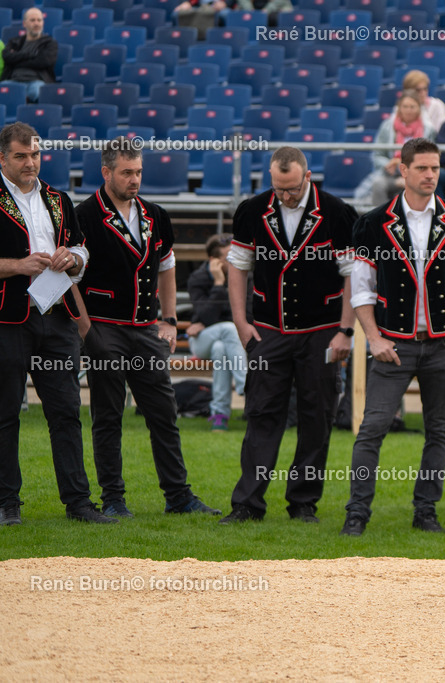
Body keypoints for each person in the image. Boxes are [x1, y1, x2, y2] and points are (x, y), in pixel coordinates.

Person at [341, 138, 445, 537]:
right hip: (392, 344)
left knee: (438, 428)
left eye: (435, 168)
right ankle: (357, 511)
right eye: (421, 168)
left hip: (442, 343)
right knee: (373, 427)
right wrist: (373, 338)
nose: (430, 175)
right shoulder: (370, 223)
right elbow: (362, 290)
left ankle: (426, 510)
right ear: (402, 170)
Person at [75, 138, 219, 519]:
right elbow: (69, 278)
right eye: (127, 172)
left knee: (164, 413)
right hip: (104, 327)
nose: (134, 179)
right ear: (106, 172)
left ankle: (178, 496)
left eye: (138, 171)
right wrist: (87, 331)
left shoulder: (156, 214)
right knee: (108, 415)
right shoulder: (84, 216)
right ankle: (113, 499)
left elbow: (167, 265)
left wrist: (169, 320)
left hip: (146, 328)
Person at [219, 147, 357, 524]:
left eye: (293, 188)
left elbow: (353, 275)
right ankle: (248, 503)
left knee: (318, 416)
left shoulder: (338, 212)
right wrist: (240, 322)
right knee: (262, 414)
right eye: (279, 189)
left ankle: (303, 502)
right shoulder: (251, 210)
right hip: (268, 330)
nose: (286, 196)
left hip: (323, 332)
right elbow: (237, 267)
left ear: (307, 177)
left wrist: (345, 331)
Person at [0, 122, 114, 526]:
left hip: (58, 315)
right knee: (5, 412)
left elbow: (81, 246)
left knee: (66, 410)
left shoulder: (58, 198)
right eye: (20, 156)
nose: (30, 162)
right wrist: (16, 265)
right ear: (2, 157)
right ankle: (6, 503)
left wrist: (75, 259)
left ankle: (79, 503)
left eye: (34, 155)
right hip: (8, 319)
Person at [185, 233, 248, 431]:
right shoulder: (198, 278)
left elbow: (249, 313)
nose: (235, 261)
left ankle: (219, 415)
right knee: (228, 329)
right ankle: (247, 385)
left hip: (229, 340)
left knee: (221, 348)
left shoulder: (245, 274)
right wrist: (219, 284)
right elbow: (206, 314)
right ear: (214, 261)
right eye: (229, 256)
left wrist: (210, 321)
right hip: (201, 341)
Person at [371, 93, 436, 206]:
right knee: (378, 184)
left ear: (419, 109)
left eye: (412, 107)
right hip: (391, 175)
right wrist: (389, 164)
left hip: (418, 175)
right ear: (399, 108)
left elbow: (431, 158)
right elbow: (377, 155)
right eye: (405, 107)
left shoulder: (428, 129)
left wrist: (406, 170)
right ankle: (380, 222)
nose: (408, 110)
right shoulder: (387, 127)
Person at [0, 8, 57, 103]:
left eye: (39, 20)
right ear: (24, 24)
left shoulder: (49, 43)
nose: (36, 23)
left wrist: (17, 60)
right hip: (13, 81)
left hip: (36, 82)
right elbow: (7, 57)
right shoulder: (15, 42)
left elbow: (44, 62)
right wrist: (29, 55)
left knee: (38, 93)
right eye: (32, 20)